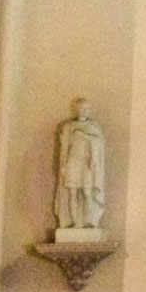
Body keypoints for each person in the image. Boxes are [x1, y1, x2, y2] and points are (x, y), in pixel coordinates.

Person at [54, 98, 105, 229]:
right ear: (76, 110)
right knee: (72, 193)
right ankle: (75, 223)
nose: (84, 111)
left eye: (86, 109)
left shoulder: (94, 127)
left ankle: (89, 221)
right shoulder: (68, 126)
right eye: (81, 108)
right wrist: (63, 165)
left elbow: (98, 146)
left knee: (87, 193)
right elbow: (65, 147)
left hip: (86, 163)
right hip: (73, 161)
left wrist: (85, 136)